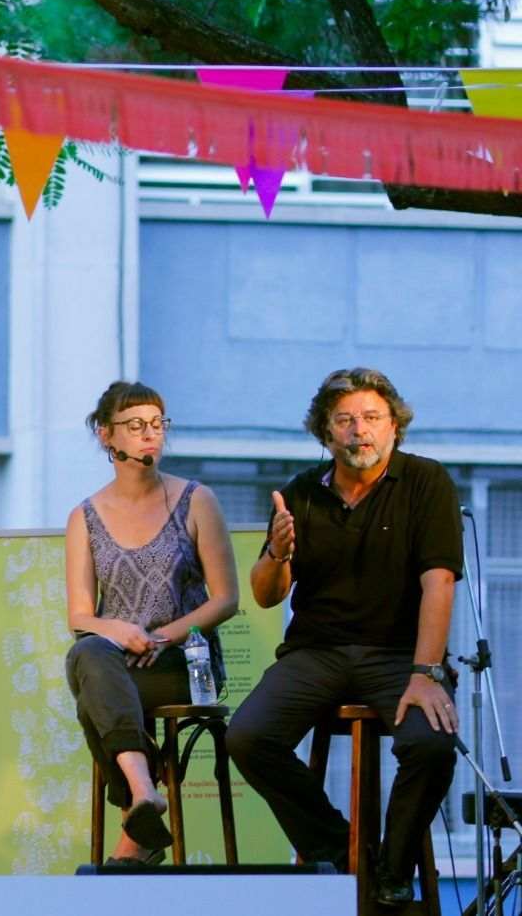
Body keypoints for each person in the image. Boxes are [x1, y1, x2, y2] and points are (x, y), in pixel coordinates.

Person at [228, 368, 461, 906]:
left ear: (394, 426)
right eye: (345, 420)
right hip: (317, 652)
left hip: (400, 654)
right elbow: (266, 594)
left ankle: (393, 871)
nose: (360, 431)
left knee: (431, 745)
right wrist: (277, 552)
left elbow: (439, 583)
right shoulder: (301, 493)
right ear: (326, 432)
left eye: (372, 417)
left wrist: (426, 673)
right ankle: (345, 854)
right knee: (247, 737)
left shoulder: (426, 482)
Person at [62, 381, 239, 865]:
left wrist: (163, 636)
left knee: (95, 699)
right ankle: (144, 790)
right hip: (119, 662)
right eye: (136, 425)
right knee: (88, 653)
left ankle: (136, 827)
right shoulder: (85, 516)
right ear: (106, 435)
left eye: (158, 425)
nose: (150, 435)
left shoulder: (196, 499)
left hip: (184, 662)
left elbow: (226, 599)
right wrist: (120, 631)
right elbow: (80, 616)